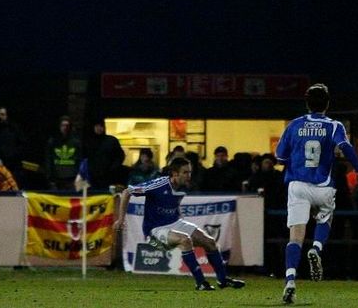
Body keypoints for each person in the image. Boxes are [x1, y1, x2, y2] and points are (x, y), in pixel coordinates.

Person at [275, 83, 358, 304]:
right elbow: (346, 148)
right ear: (327, 104)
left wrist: (294, 160)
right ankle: (316, 248)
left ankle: (290, 281)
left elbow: (280, 157)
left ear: (307, 103)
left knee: (295, 236)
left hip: (298, 185)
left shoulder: (294, 125)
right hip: (323, 186)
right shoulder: (334, 126)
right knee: (325, 217)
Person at [113, 156, 245, 292]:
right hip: (155, 231)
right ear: (175, 174)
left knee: (210, 242)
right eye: (185, 172)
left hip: (175, 223)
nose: (189, 176)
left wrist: (179, 216)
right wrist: (121, 219)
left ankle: (223, 280)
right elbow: (127, 192)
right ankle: (201, 282)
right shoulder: (159, 185)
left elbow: (172, 202)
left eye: (190, 172)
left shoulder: (185, 186)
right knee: (185, 240)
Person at [44, 115, 83, 190]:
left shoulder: (76, 142)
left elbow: (80, 160)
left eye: (67, 125)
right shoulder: (52, 141)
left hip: (72, 177)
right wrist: (49, 177)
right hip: (57, 177)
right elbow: (48, 160)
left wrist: (79, 177)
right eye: (63, 125)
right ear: (59, 126)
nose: (65, 128)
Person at [0, 106, 25, 184]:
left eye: (2, 114)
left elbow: (22, 143)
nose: (0, 117)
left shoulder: (14, 128)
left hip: (13, 164)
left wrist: (14, 154)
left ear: (6, 115)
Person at [86, 119, 126, 189]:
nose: (99, 128)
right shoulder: (89, 142)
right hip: (93, 178)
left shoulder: (111, 141)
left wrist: (113, 168)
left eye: (101, 126)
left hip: (109, 177)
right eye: (97, 126)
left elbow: (120, 156)